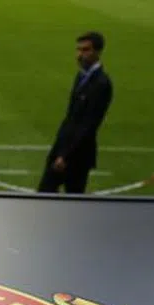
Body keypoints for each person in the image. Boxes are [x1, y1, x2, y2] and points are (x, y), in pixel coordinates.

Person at [38, 32, 113, 195]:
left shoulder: (101, 84)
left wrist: (65, 155)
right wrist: (58, 148)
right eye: (78, 50)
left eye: (85, 50)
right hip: (63, 147)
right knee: (47, 193)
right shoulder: (81, 76)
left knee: (69, 197)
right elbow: (71, 116)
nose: (80, 55)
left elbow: (89, 124)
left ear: (98, 52)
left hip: (77, 154)